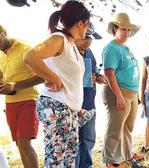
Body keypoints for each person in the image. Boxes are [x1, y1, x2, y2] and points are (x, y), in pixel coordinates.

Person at [23, 1, 90, 167]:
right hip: (57, 107)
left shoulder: (71, 44)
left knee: (68, 161)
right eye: (87, 25)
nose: (87, 29)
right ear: (81, 23)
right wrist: (53, 78)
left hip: (69, 111)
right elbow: (30, 57)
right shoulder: (58, 39)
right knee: (56, 161)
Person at [101, 12, 142, 168]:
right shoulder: (111, 48)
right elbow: (109, 73)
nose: (126, 33)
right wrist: (118, 96)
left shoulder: (126, 47)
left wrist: (136, 94)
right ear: (115, 29)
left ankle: (127, 155)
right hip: (119, 92)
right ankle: (111, 161)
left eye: (128, 30)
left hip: (132, 93)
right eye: (123, 29)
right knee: (115, 128)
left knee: (127, 127)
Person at [0, 24, 41, 168]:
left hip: (28, 101)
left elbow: (42, 76)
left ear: (3, 32)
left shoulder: (26, 49)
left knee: (24, 142)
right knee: (19, 144)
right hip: (9, 103)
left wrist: (15, 85)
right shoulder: (0, 55)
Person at [74, 22, 105, 168]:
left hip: (89, 103)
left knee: (88, 139)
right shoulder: (70, 52)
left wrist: (98, 77)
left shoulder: (90, 52)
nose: (88, 41)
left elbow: (93, 71)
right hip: (74, 105)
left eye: (91, 38)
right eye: (86, 37)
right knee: (74, 141)